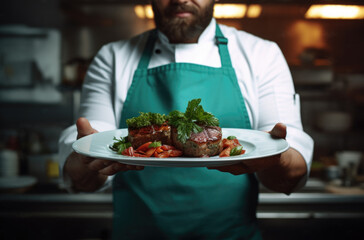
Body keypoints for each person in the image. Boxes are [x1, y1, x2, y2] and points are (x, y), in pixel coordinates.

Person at [58, 0, 314, 239]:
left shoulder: (262, 55)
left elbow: (288, 176)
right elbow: (88, 165)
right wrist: (84, 157)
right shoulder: (112, 58)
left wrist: (277, 156)